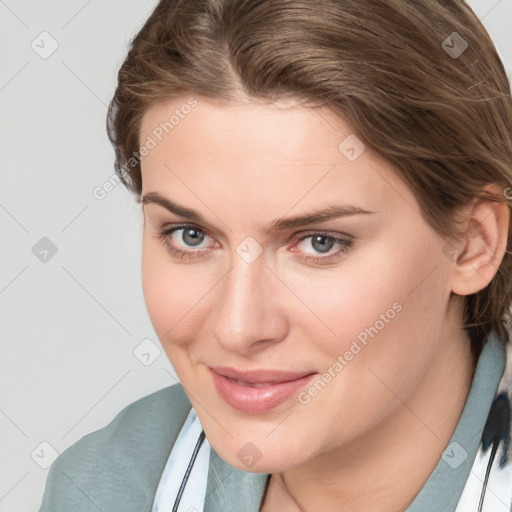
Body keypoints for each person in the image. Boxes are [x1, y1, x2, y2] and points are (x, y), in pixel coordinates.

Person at [38, 0, 512, 511]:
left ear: (472, 243)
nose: (238, 328)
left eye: (319, 242)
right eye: (190, 235)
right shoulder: (104, 487)